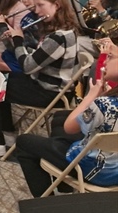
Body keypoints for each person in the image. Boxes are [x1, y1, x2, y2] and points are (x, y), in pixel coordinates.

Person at [0, 0, 81, 156]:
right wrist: (12, 37)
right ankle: (7, 133)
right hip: (42, 82)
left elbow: (27, 66)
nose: (38, 11)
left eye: (41, 5)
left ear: (57, 5)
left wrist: (18, 41)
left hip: (50, 92)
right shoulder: (56, 30)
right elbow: (34, 57)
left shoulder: (60, 37)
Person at [13, 48, 118, 196]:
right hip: (114, 169)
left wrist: (92, 95)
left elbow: (69, 127)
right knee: (58, 119)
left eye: (111, 57)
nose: (104, 61)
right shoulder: (107, 103)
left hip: (95, 171)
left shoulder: (104, 105)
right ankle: (64, 189)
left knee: (23, 142)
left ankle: (46, 205)